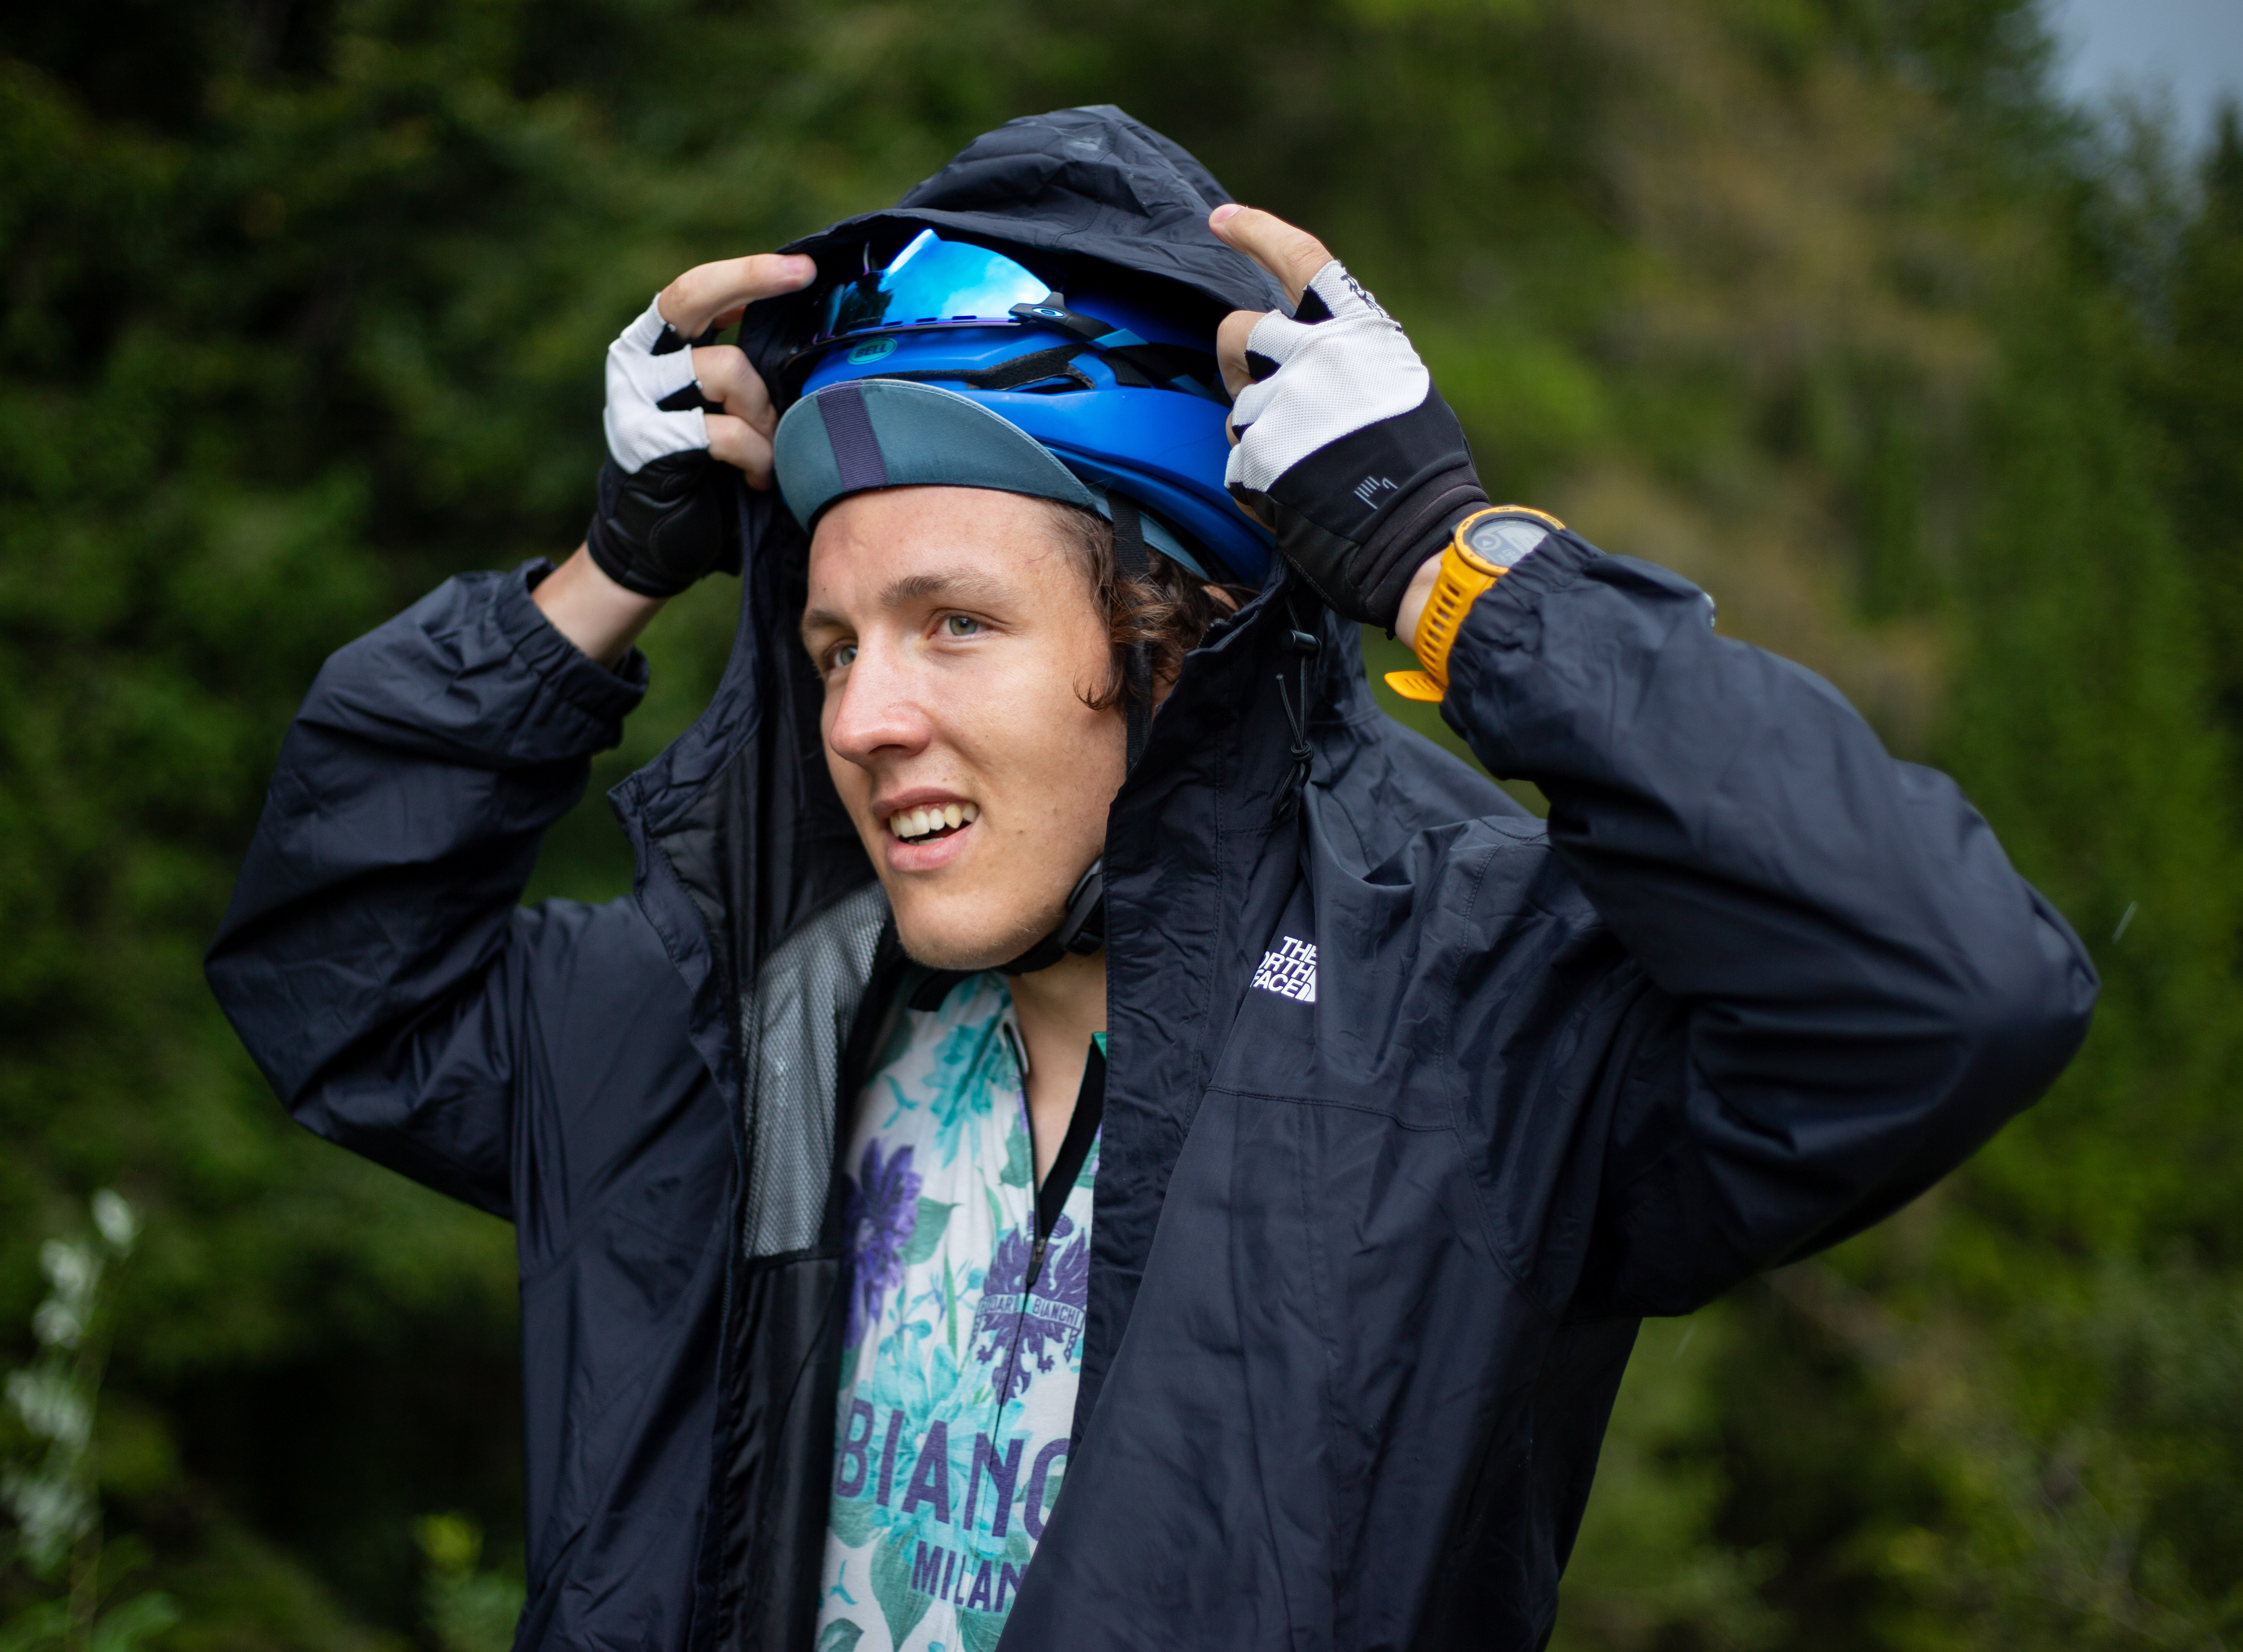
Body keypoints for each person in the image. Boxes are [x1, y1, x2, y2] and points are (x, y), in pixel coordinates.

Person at [206, 107, 2095, 1652]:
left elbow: (1944, 992)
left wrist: (1450, 566)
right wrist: (609, 574)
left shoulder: (1466, 1024)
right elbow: (341, 982)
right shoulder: (748, 1009)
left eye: (956, 624)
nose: (864, 717)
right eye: (834, 644)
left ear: (1176, 629)